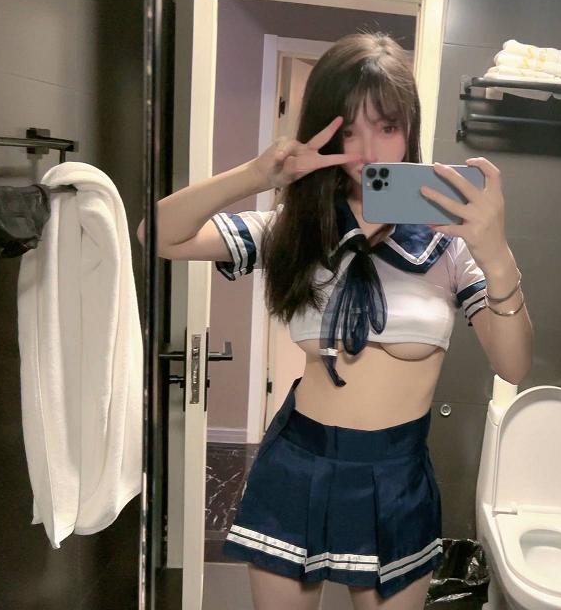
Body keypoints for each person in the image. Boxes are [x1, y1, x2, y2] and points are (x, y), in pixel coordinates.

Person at [138, 32, 531, 610]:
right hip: (298, 464)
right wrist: (257, 175)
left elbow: (513, 366)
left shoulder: (449, 243)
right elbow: (157, 234)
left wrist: (495, 252)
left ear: (410, 128)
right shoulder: (293, 228)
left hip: (398, 477)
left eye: (387, 126)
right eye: (350, 130)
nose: (368, 149)